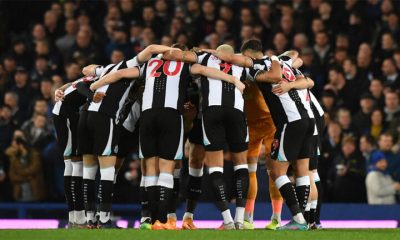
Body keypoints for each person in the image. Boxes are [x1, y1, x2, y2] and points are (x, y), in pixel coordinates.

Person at [90, 43, 244, 230]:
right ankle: (163, 221)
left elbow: (120, 74)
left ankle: (151, 219)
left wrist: (96, 85)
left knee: (150, 169)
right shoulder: (185, 65)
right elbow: (206, 70)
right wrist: (233, 80)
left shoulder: (149, 64)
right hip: (171, 116)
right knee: (166, 167)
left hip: (147, 116)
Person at [162, 43, 280, 230]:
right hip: (236, 114)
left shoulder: (204, 58)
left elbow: (179, 57)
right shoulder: (243, 64)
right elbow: (273, 76)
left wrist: (166, 52)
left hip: (211, 114)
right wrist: (274, 59)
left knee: (215, 168)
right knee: (241, 166)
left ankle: (227, 220)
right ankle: (240, 220)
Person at [207, 39, 315, 230]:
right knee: (257, 171)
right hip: (267, 123)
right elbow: (296, 59)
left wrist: (203, 51)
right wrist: (284, 64)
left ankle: (279, 217)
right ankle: (252, 217)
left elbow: (284, 65)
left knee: (273, 171)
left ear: (245, 55)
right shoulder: (272, 64)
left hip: (275, 123)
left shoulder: (254, 68)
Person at [53, 74, 99, 228]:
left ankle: (75, 217)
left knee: (75, 163)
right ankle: (76, 218)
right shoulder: (101, 78)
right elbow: (80, 87)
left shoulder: (92, 75)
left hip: (69, 113)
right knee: (73, 164)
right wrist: (92, 96)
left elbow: (71, 84)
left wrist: (59, 89)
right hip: (65, 113)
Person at [7, 130, 46, 202]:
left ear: (21, 145)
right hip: (19, 194)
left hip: (35, 192)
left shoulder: (34, 155)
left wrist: (20, 173)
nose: (13, 148)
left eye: (15, 146)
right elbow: (12, 177)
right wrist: (27, 178)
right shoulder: (14, 159)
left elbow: (34, 169)